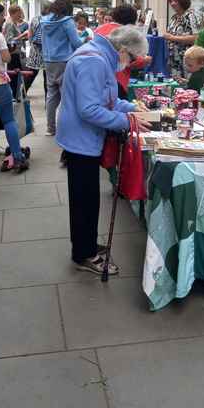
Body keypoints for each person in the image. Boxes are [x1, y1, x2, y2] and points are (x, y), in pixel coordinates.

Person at [57, 26, 151, 276]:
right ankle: (84, 253)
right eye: (132, 58)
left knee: (87, 198)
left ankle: (86, 243)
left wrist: (131, 108)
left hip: (83, 138)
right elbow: (89, 109)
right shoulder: (95, 62)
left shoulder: (99, 56)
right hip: (81, 140)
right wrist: (126, 121)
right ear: (122, 50)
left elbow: (107, 100)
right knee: (84, 199)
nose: (130, 64)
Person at [0, 6, 30, 175]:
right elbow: (6, 58)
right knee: (9, 120)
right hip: (0, 83)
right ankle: (17, 157)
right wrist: (10, 50)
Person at [41, 0, 81, 136]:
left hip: (48, 60)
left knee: (51, 95)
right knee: (67, 95)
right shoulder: (67, 22)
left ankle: (50, 128)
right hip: (64, 61)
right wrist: (85, 39)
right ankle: (67, 128)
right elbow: (76, 43)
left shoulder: (44, 20)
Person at [95, 3, 152, 98]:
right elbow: (132, 60)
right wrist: (145, 60)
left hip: (97, 77)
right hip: (118, 80)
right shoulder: (126, 34)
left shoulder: (99, 29)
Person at [164, 0, 203, 79]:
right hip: (173, 59)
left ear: (183, 1)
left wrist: (172, 38)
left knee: (187, 85)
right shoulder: (173, 18)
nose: (173, 3)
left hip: (187, 58)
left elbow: (196, 37)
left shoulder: (191, 16)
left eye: (176, 1)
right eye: (171, 1)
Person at [24, 3, 50, 96]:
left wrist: (31, 44)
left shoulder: (35, 19)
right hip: (47, 53)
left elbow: (30, 36)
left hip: (35, 52)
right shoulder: (51, 21)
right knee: (47, 79)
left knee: (30, 74)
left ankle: (22, 94)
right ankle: (48, 101)